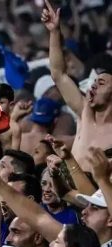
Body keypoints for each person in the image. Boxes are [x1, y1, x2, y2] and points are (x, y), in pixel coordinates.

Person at [41, 0, 112, 170]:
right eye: (93, 82)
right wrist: (54, 32)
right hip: (70, 192)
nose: (93, 86)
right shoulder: (84, 112)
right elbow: (58, 74)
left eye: (101, 83)